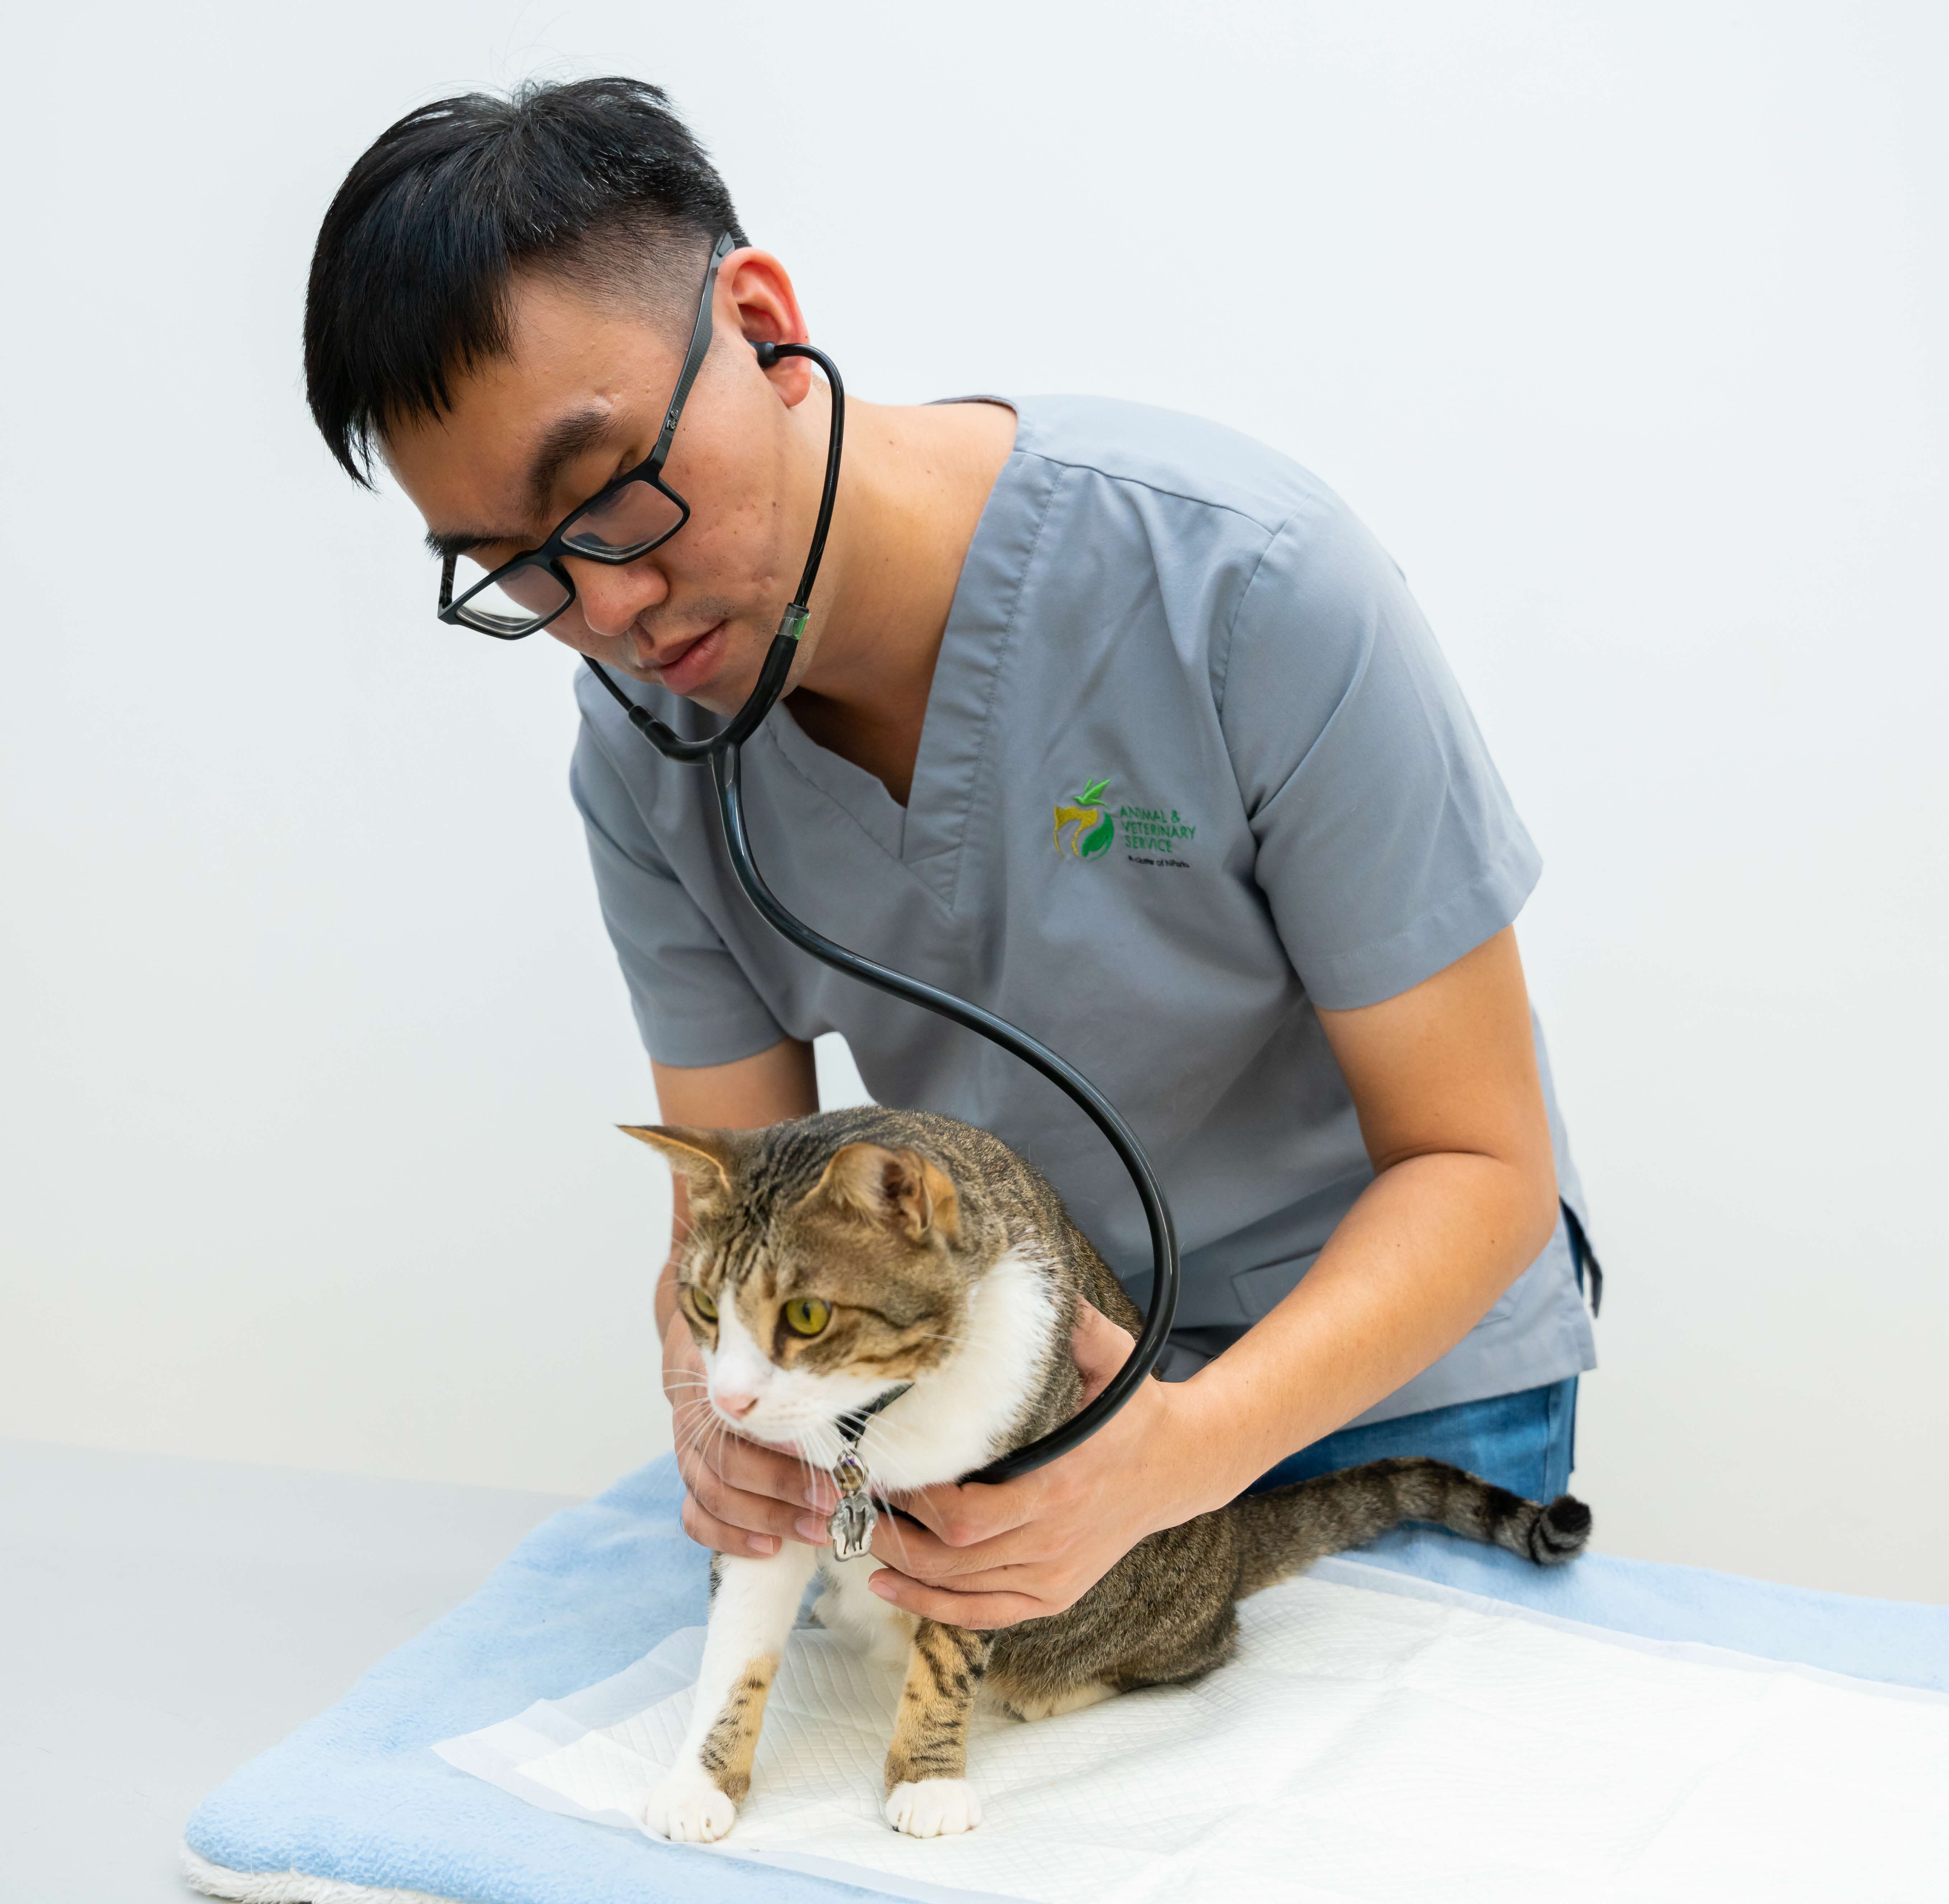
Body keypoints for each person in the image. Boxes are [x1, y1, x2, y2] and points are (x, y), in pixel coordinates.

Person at [302, 77, 1600, 1632]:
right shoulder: (645, 748)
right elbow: (723, 1198)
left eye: (609, 498)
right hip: (1014, 1409)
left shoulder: (1245, 586)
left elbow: (1480, 1165)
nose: (607, 612)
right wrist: (712, 1402)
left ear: (761, 326)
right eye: (515, 570)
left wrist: (1180, 1454)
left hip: (1386, 1395)